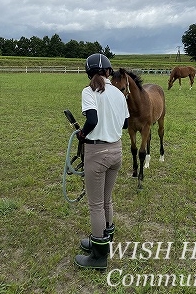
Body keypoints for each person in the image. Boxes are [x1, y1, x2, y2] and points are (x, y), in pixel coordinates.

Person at [74, 53, 129, 270]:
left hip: (97, 153)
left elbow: (92, 119)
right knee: (107, 200)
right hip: (116, 151)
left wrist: (82, 134)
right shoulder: (118, 93)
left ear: (89, 73)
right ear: (108, 72)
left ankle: (99, 256)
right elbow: (125, 125)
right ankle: (105, 239)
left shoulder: (89, 92)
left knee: (96, 205)